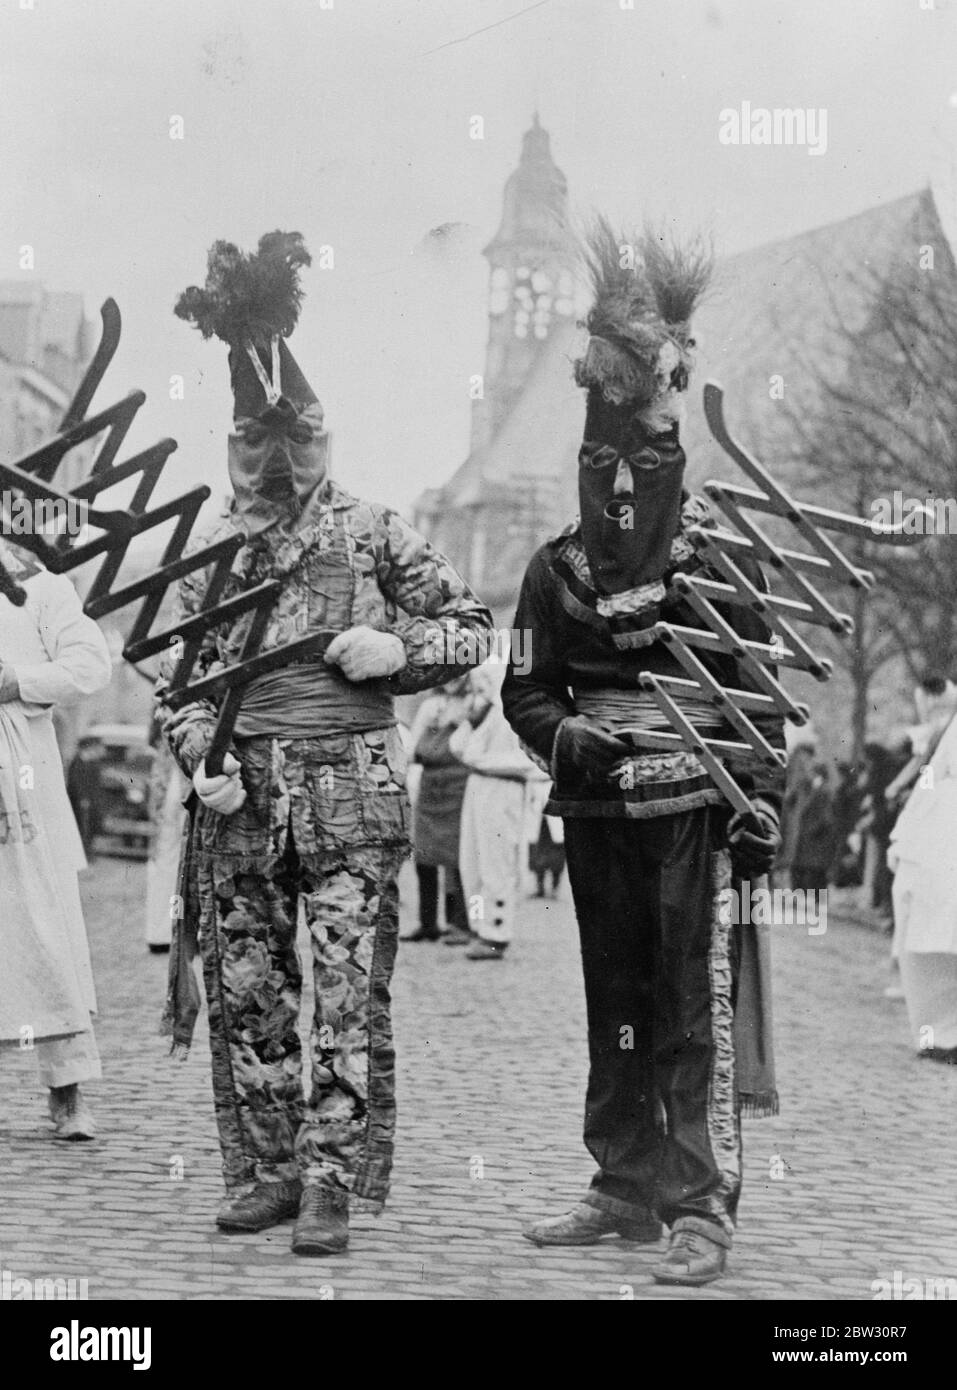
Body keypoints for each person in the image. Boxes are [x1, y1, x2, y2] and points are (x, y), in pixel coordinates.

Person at [161, 234, 493, 1256]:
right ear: (233, 446)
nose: (280, 460)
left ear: (322, 436)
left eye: (298, 438)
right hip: (243, 799)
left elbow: (475, 629)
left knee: (348, 990)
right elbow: (171, 682)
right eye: (259, 442)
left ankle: (331, 1180)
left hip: (351, 790)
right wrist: (197, 757)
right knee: (250, 988)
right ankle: (264, 1171)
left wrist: (393, 648)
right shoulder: (209, 554)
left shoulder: (378, 533)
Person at [501, 222, 784, 1285]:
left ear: (675, 453)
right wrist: (565, 733)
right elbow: (524, 686)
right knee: (613, 1004)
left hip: (693, 817)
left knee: (685, 1008)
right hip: (598, 812)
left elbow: (759, 696)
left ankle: (701, 1203)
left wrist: (758, 809)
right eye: (603, 464)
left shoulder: (722, 560)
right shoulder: (554, 570)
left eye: (646, 462)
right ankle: (622, 1184)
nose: (623, 489)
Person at [0, 540, 113, 1140]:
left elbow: (91, 666)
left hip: (26, 782)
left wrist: (19, 678)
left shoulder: (40, 587)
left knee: (48, 925)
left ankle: (67, 1091)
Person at [450, 659, 538, 961]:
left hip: (504, 787)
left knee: (496, 863)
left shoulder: (510, 711)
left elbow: (526, 761)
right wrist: (472, 717)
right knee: (471, 861)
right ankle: (478, 924)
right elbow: (459, 747)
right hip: (478, 785)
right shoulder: (483, 710)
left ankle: (496, 932)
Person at [887, 706, 957, 1063]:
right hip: (943, 825)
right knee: (929, 925)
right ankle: (936, 1033)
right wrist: (912, 820)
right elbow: (936, 769)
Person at [404, 677, 471, 943]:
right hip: (431, 785)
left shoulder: (474, 704)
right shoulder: (431, 705)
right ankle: (427, 922)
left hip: (460, 785)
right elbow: (413, 748)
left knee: (457, 859)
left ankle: (459, 923)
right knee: (425, 857)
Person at [787, 762, 834, 894]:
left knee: (815, 868)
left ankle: (812, 894)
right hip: (810, 835)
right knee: (808, 866)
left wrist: (812, 830)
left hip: (816, 836)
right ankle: (805, 892)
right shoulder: (812, 789)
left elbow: (826, 817)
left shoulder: (824, 791)